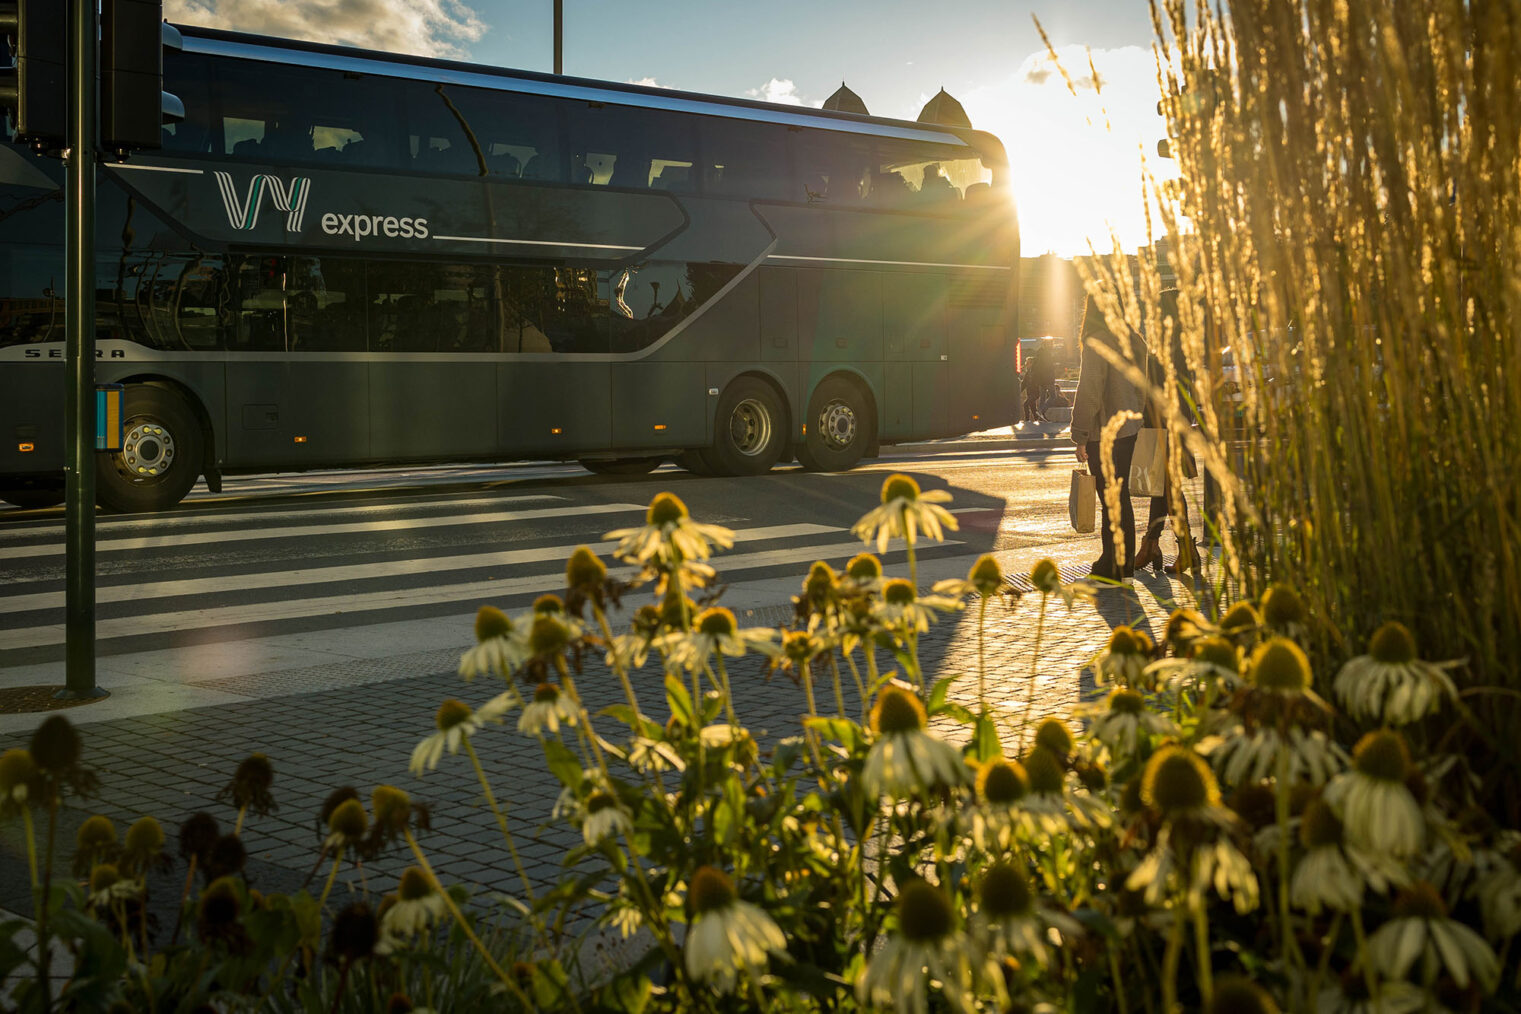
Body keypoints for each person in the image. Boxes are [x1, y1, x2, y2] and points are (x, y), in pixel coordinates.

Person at [1071, 294, 1147, 580]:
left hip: (1103, 434)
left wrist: (1080, 434)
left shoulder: (1096, 341)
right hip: (1129, 431)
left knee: (1109, 500)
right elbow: (1143, 387)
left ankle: (1112, 565)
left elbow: (1089, 391)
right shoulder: (1135, 340)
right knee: (1121, 497)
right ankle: (1123, 565)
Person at [1133, 289, 1200, 574]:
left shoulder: (1169, 348)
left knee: (1170, 489)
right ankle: (1152, 545)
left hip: (1165, 426)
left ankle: (1180, 549)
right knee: (1163, 488)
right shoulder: (1180, 345)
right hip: (1169, 425)